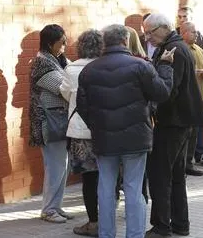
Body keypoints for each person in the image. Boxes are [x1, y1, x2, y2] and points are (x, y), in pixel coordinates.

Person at [77, 24, 173, 238]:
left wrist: (97, 126)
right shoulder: (141, 66)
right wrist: (166, 66)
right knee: (133, 188)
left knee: (105, 187)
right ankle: (134, 234)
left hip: (104, 139)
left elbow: (82, 106)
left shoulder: (89, 70)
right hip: (136, 138)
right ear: (124, 41)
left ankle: (107, 233)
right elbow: (162, 92)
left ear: (105, 43)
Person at [143, 13, 203, 238]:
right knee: (176, 174)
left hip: (173, 121)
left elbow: (169, 89)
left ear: (163, 28)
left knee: (160, 174)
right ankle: (180, 223)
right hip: (181, 120)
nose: (147, 37)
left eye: (150, 32)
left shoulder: (173, 50)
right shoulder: (175, 46)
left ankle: (162, 226)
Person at [27, 24, 74, 224]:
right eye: (61, 42)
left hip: (58, 120)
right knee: (55, 166)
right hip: (49, 123)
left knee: (61, 165)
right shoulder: (42, 63)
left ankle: (55, 206)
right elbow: (66, 88)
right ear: (49, 43)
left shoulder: (55, 60)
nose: (65, 45)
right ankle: (48, 209)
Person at [61, 29, 104, 237]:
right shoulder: (106, 66)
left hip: (80, 130)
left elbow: (65, 92)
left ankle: (94, 222)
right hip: (105, 130)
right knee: (108, 175)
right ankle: (107, 218)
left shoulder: (72, 68)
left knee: (89, 179)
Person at [180, 21, 203, 172]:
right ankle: (180, 164)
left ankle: (189, 163)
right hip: (184, 99)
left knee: (194, 134)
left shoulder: (199, 50)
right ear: (184, 33)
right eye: (193, 32)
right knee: (183, 136)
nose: (196, 34)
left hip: (199, 97)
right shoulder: (179, 49)